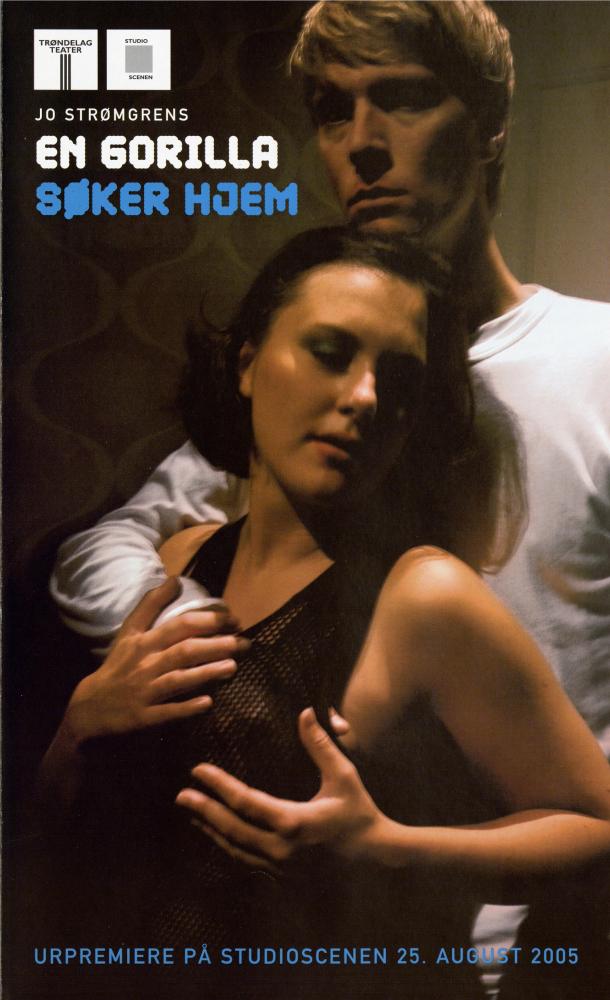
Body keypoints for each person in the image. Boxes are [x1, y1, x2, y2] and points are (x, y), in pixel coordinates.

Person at [48, 1, 610, 995]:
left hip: (528, 942)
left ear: (488, 125)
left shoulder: (594, 363)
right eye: (331, 111)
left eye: (403, 99)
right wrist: (174, 657)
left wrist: (394, 848)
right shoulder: (293, 413)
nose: (362, 144)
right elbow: (117, 540)